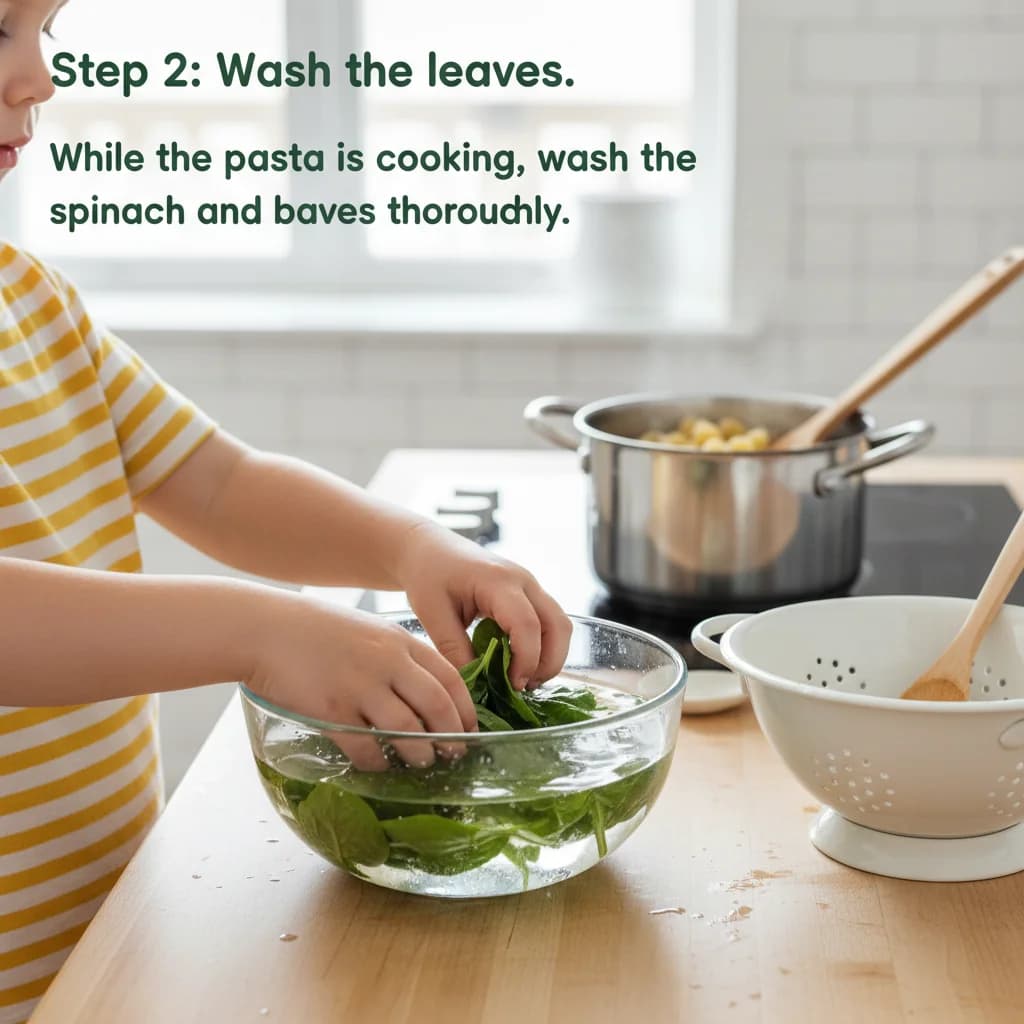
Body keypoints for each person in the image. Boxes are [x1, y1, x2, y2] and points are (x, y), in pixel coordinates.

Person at [0, 1, 572, 1019]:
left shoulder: (29, 300)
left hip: (97, 943)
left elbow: (219, 483)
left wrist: (413, 545)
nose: (42, 76)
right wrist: (262, 632)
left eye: (49, 31)